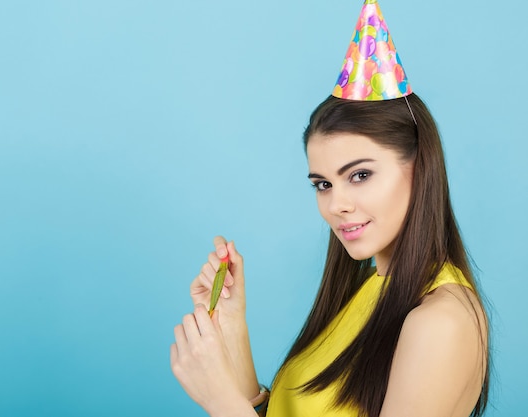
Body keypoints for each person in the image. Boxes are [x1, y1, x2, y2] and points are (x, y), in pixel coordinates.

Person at [170, 1, 490, 416]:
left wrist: (221, 402)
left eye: (359, 175)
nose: (336, 205)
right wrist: (233, 327)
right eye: (323, 184)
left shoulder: (441, 322)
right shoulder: (366, 288)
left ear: (419, 168)